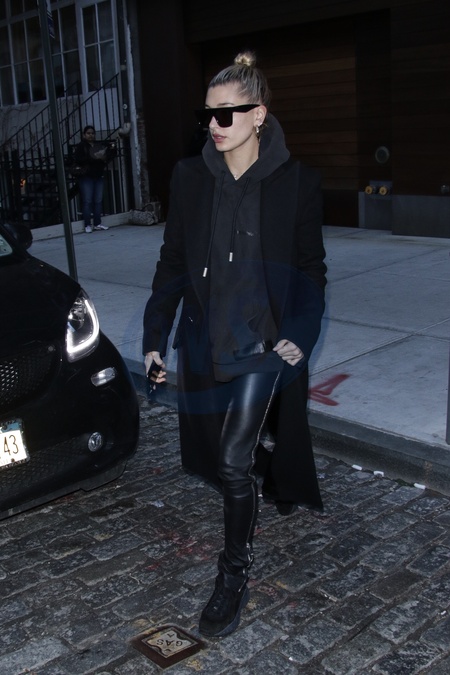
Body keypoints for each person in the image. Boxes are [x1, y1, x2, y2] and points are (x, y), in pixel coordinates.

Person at [142, 51, 327, 638]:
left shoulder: (297, 183)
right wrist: (155, 335)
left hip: (263, 345)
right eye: (208, 115)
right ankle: (269, 472)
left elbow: (311, 270)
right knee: (218, 456)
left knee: (229, 461)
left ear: (259, 115)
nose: (215, 125)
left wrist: (298, 336)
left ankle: (233, 575)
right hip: (207, 339)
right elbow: (172, 262)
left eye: (228, 113)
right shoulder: (190, 178)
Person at [73, 125, 116, 233]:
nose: (91, 135)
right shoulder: (81, 146)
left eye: (92, 133)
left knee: (98, 201)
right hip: (86, 176)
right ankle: (87, 224)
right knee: (87, 201)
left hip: (98, 175)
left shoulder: (98, 145)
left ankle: (97, 223)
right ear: (84, 135)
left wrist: (103, 157)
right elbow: (78, 160)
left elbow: (106, 158)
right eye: (88, 133)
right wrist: (94, 157)